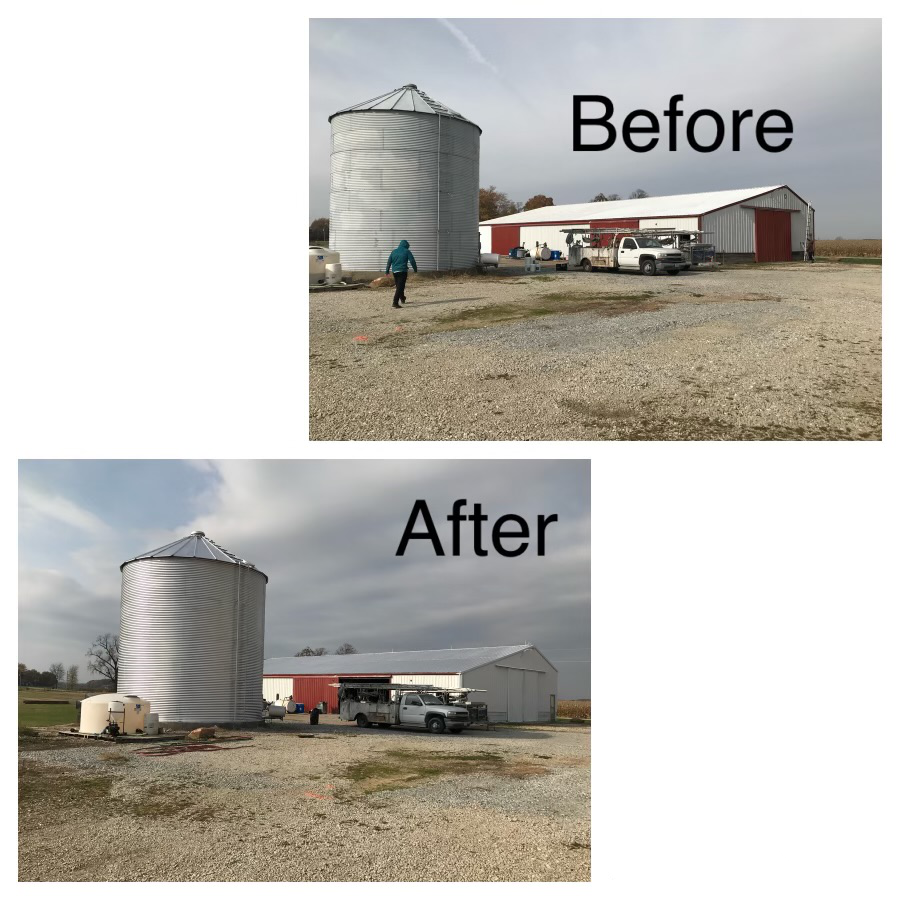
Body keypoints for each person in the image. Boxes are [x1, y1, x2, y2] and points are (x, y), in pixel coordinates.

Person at [385, 239, 418, 309]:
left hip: (395, 272)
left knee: (399, 286)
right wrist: (415, 269)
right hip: (402, 271)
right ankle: (395, 302)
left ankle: (402, 298)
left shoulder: (394, 251)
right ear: (406, 245)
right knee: (400, 287)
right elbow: (412, 260)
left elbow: (389, 261)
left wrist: (387, 271)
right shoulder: (407, 251)